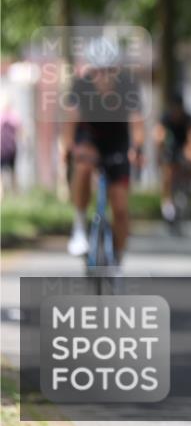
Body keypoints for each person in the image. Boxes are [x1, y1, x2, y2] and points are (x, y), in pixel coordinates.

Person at [63, 38, 145, 262]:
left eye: (109, 71)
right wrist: (68, 149)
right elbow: (71, 120)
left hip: (117, 141)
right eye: (98, 71)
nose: (104, 77)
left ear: (117, 69)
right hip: (89, 137)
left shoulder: (128, 85)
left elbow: (137, 121)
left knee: (120, 208)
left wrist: (137, 148)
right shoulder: (81, 85)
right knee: (83, 165)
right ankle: (79, 226)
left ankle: (118, 257)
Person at [155, 90, 191, 224]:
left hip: (184, 146)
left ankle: (189, 186)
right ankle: (167, 202)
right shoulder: (166, 118)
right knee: (167, 172)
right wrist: (160, 151)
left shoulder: (188, 118)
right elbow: (159, 135)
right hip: (171, 146)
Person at [0, 95, 21, 195]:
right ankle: (9, 192)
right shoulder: (14, 117)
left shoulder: (11, 116)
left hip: (8, 149)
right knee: (11, 172)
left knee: (11, 172)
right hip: (8, 149)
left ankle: (10, 192)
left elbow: (20, 131)